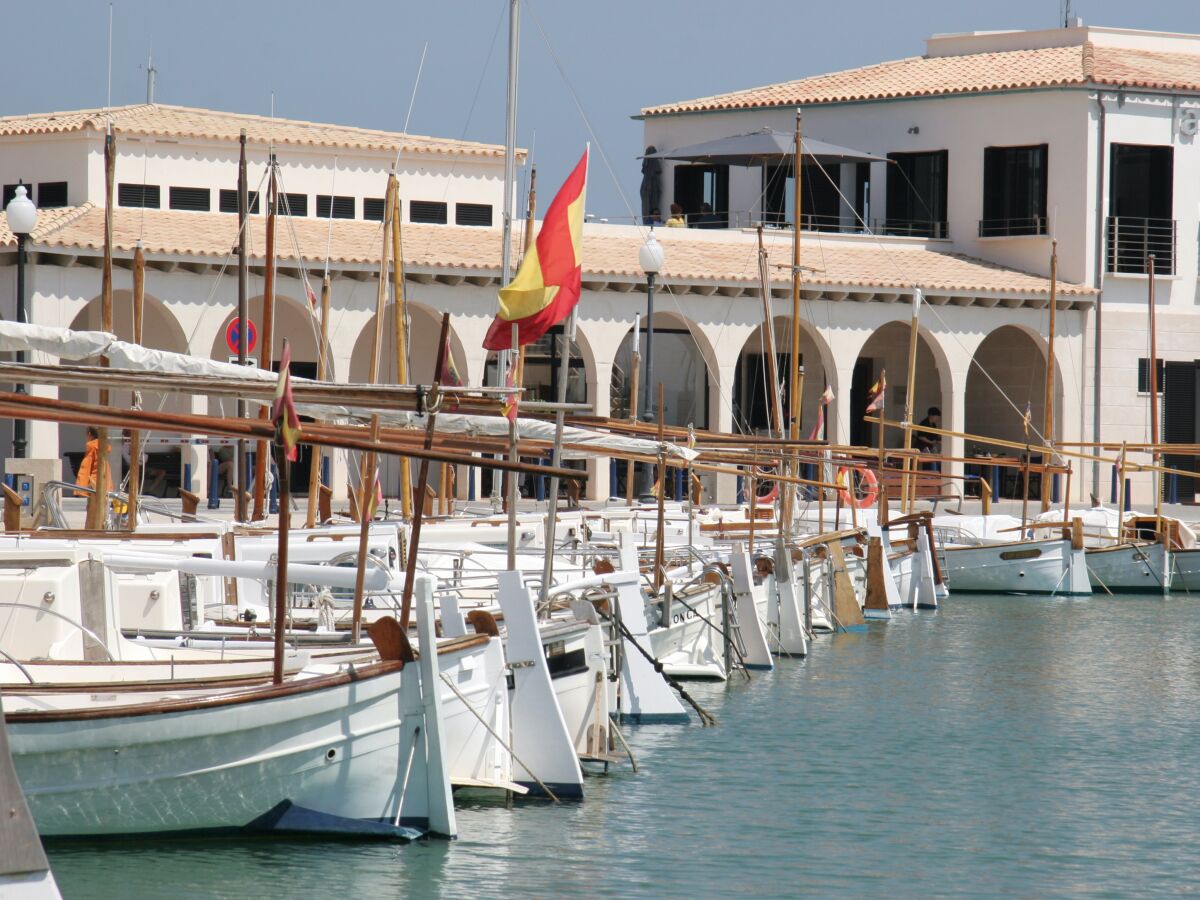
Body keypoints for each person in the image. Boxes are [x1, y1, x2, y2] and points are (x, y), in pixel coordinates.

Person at [74, 426, 114, 497]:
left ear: (89, 434)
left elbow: (85, 468)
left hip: (94, 484)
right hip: (104, 482)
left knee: (93, 506)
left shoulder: (93, 448)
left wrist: (80, 488)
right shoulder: (103, 447)